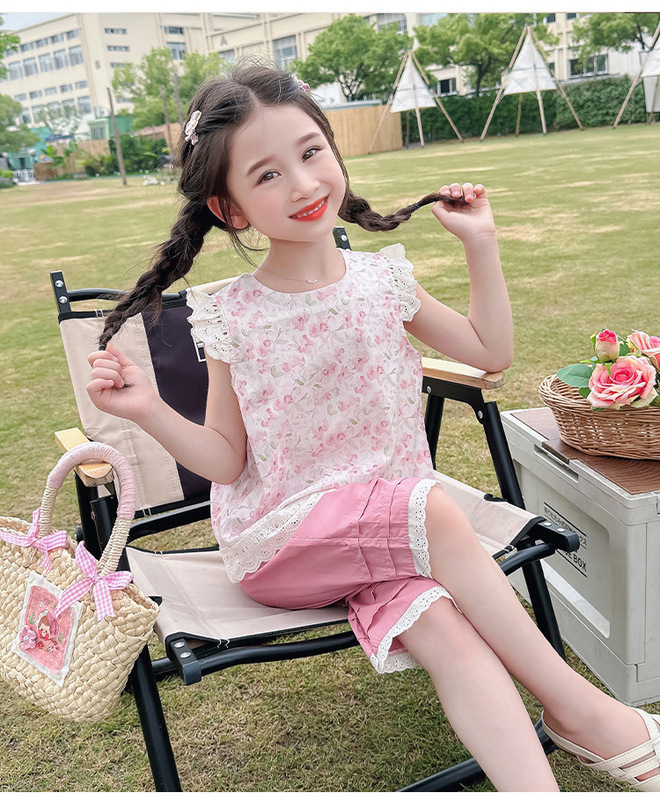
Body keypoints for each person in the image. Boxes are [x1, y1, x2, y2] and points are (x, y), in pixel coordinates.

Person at [86, 63, 660, 792]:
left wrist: (480, 243)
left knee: (443, 626)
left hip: (391, 538)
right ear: (229, 209)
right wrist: (147, 409)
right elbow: (226, 462)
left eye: (311, 152)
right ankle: (581, 711)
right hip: (283, 542)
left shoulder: (383, 280)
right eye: (266, 175)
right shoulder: (233, 313)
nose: (303, 184)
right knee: (433, 508)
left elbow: (489, 352)